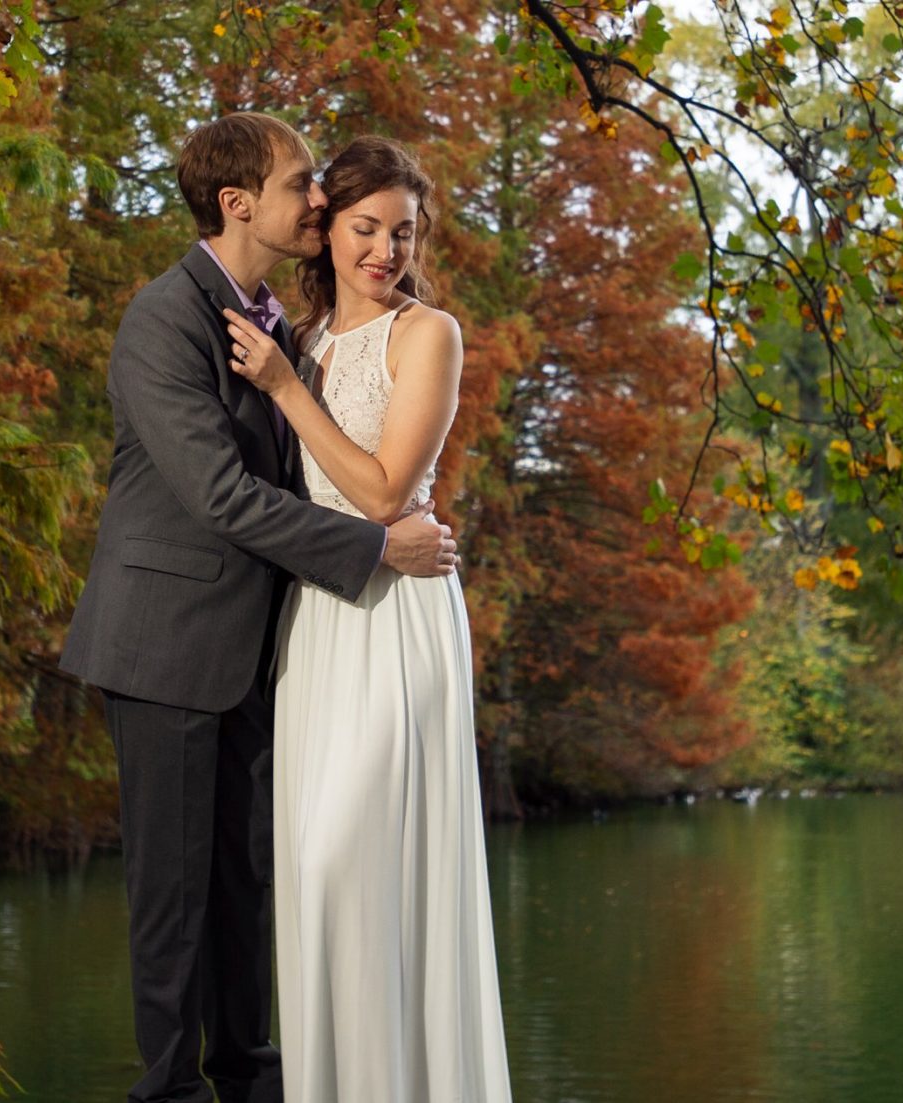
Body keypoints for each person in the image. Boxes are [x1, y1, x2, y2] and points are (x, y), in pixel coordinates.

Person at [59, 113, 458, 1103]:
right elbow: (222, 497)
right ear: (238, 203)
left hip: (265, 649)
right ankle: (171, 1091)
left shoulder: (277, 321)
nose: (316, 198)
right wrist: (376, 546)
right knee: (173, 898)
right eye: (299, 182)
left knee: (244, 884)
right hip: (164, 646)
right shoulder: (164, 318)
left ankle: (248, 1079)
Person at [221, 135, 512, 1102]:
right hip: (318, 625)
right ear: (326, 230)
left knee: (358, 860)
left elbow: (386, 493)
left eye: (403, 232)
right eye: (365, 228)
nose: (386, 250)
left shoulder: (427, 334)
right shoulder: (301, 340)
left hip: (398, 620)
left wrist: (282, 387)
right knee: (315, 874)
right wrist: (286, 372)